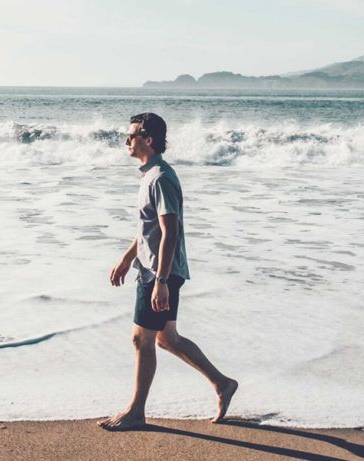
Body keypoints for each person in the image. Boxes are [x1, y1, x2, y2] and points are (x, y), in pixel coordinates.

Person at [98, 113, 238, 431]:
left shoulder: (160, 178)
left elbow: (170, 232)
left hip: (159, 272)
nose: (126, 141)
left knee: (142, 340)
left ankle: (136, 411)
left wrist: (161, 280)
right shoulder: (150, 176)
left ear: (148, 139)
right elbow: (148, 229)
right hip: (154, 268)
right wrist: (127, 258)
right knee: (166, 338)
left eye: (131, 135)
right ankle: (222, 384)